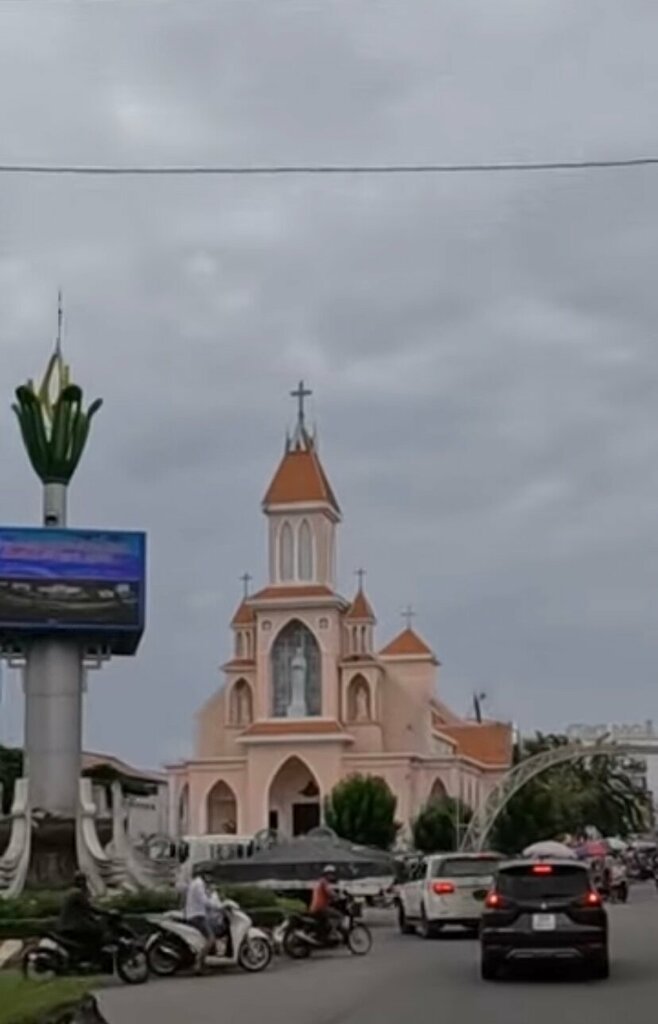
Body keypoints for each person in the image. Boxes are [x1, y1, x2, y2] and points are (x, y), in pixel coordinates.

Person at [57, 873, 107, 958]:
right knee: (98, 932)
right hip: (73, 926)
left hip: (66, 925)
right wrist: (105, 912)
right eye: (82, 880)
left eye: (83, 880)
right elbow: (89, 907)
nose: (83, 883)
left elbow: (84, 910)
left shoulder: (71, 892)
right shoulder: (77, 893)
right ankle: (92, 956)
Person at [184, 868, 215, 971]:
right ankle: (198, 962)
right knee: (211, 938)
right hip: (197, 916)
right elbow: (204, 901)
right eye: (209, 875)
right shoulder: (199, 884)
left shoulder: (196, 883)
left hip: (195, 914)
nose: (210, 878)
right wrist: (217, 906)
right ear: (204, 875)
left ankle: (204, 960)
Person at [310, 865, 341, 941]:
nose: (333, 876)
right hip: (321, 907)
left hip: (314, 907)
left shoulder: (319, 881)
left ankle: (325, 933)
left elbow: (325, 894)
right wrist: (338, 896)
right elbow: (330, 893)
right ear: (327, 874)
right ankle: (332, 933)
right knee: (339, 916)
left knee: (327, 918)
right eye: (331, 874)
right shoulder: (324, 882)